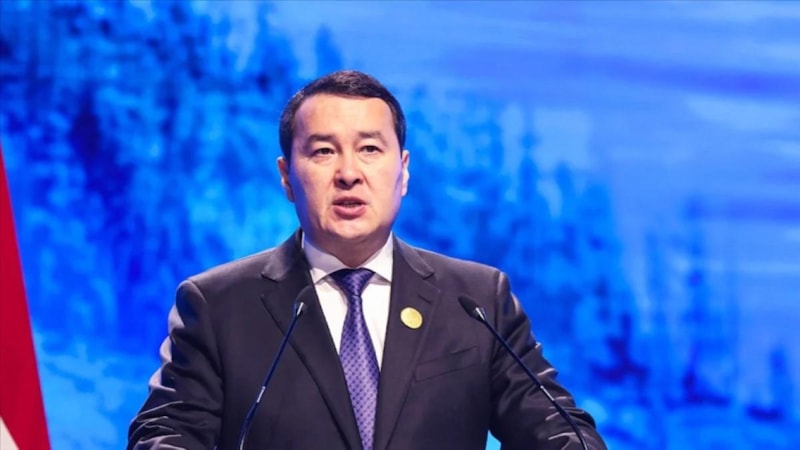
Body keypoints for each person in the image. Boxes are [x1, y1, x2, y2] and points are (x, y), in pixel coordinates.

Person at [128, 70, 607, 450]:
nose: (349, 173)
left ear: (403, 171)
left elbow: (559, 431)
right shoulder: (218, 305)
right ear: (287, 176)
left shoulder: (477, 300)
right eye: (323, 151)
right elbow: (165, 436)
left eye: (370, 149)